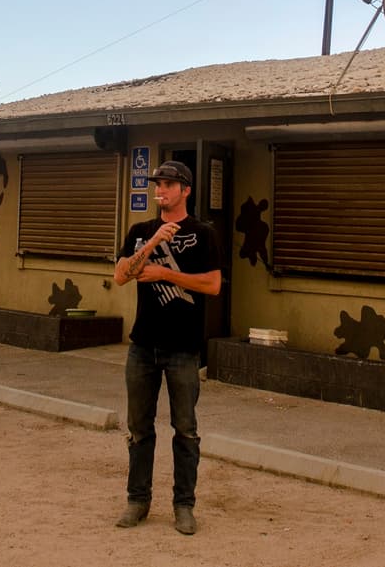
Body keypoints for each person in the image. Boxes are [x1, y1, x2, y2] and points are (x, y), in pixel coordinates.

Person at [113, 160, 221, 536]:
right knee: (139, 429)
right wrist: (156, 244)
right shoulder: (141, 231)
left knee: (186, 430)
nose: (161, 189)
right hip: (142, 347)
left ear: (185, 190)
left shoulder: (203, 233)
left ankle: (184, 506)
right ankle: (137, 500)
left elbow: (212, 285)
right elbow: (120, 276)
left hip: (183, 349)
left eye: (169, 184)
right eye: (158, 183)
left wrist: (166, 273)